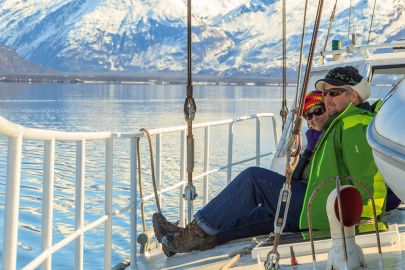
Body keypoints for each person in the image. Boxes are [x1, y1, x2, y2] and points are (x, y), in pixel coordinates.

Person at [154, 66, 390, 256]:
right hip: (320, 203)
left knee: (254, 179)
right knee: (264, 213)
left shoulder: (354, 124)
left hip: (329, 211)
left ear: (355, 95)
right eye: (325, 93)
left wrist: (359, 219)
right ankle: (194, 239)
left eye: (334, 92)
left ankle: (193, 233)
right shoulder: (342, 121)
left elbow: (365, 179)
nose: (327, 99)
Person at [153, 91, 328, 256]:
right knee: (254, 216)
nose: (313, 119)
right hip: (305, 209)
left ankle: (191, 235)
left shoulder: (331, 136)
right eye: (308, 116)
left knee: (253, 179)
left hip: (315, 208)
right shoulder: (314, 140)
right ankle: (184, 239)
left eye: (318, 111)